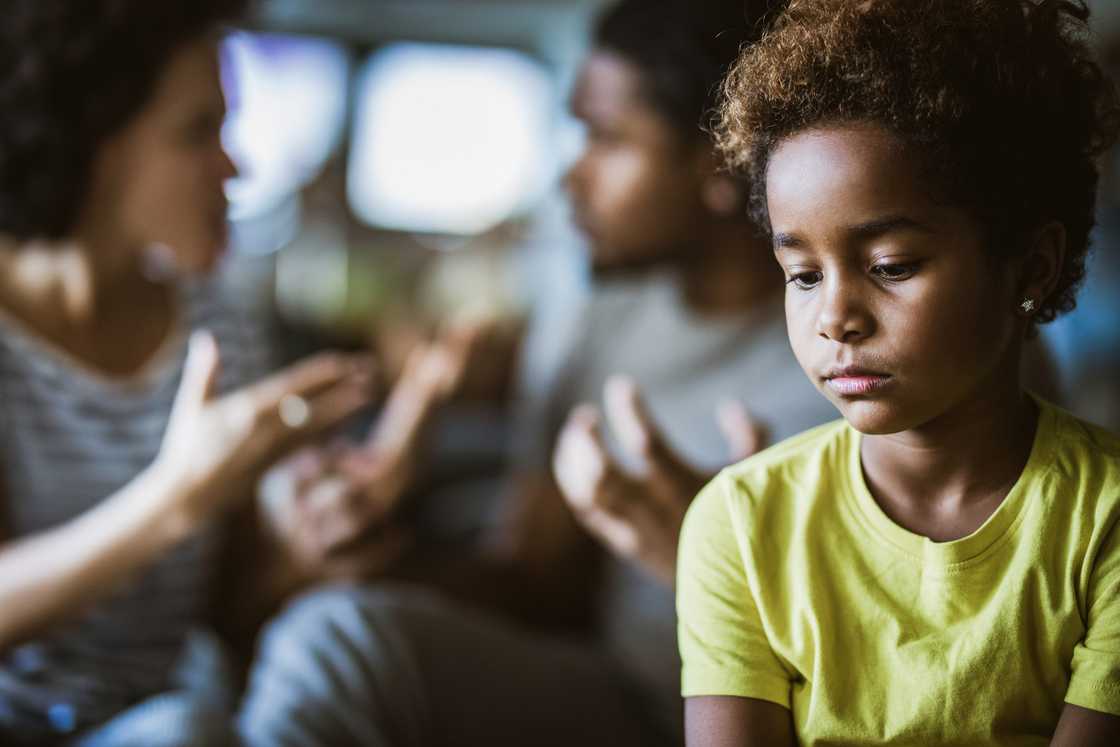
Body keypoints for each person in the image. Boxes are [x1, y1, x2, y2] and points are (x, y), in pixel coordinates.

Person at [233, 2, 834, 746]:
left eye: (608, 139)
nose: (570, 176)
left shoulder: (846, 357)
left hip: (763, 713)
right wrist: (361, 553)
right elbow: (534, 580)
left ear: (721, 164)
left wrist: (715, 567)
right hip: (605, 681)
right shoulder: (596, 319)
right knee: (329, 633)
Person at [0, 1, 463, 744]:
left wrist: (313, 547)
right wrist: (174, 497)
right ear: (94, 142)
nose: (236, 165)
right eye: (197, 131)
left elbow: (231, 610)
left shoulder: (218, 321)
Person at [677, 0, 1120, 744]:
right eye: (803, 274)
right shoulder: (742, 524)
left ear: (1032, 266)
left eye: (891, 266)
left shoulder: (1103, 521)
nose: (835, 317)